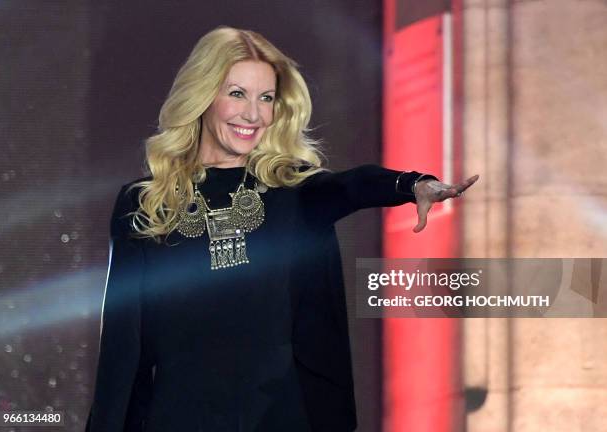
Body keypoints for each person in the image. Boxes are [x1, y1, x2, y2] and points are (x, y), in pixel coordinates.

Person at [85, 26, 478, 432]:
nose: (253, 114)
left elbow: (350, 186)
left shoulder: (292, 191)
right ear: (202, 96)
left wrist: (411, 184)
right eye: (237, 93)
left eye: (266, 98)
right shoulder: (146, 203)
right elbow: (122, 345)